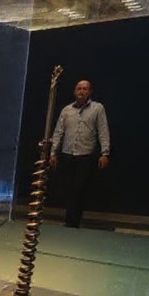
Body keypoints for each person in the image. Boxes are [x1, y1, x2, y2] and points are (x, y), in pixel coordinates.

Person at [49, 79, 111, 228]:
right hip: (67, 154)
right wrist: (53, 153)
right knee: (68, 189)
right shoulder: (66, 110)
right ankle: (69, 219)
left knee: (79, 188)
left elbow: (103, 131)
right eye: (79, 88)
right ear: (74, 91)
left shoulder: (97, 108)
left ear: (90, 92)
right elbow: (58, 132)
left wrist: (105, 153)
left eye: (85, 89)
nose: (82, 91)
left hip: (85, 155)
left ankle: (73, 222)